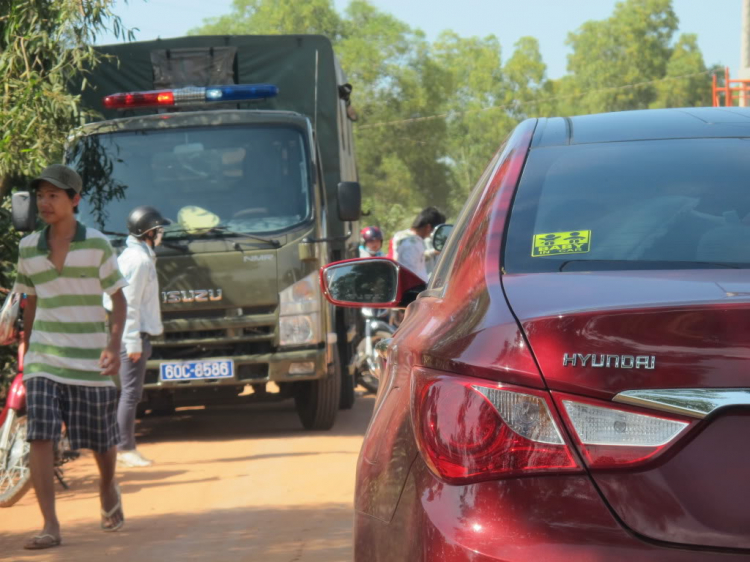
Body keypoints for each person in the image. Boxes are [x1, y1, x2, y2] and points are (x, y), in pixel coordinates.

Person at [14, 164, 128, 550]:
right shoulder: (28, 247)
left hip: (89, 358)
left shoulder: (96, 244)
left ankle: (108, 484)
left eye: (53, 195)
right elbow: (29, 302)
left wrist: (112, 347)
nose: (44, 203)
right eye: (40, 195)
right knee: (40, 434)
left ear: (74, 200)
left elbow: (118, 300)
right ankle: (50, 525)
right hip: (45, 356)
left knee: (101, 441)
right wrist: (27, 348)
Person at [115, 206, 170, 468]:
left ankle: (125, 447)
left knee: (131, 394)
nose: (160, 235)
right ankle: (125, 449)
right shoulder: (139, 261)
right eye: (158, 231)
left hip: (133, 335)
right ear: (148, 233)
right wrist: (133, 341)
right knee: (130, 394)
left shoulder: (137, 256)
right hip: (132, 337)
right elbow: (130, 304)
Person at [387, 206, 446, 280]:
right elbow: (409, 273)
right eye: (433, 230)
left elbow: (417, 258)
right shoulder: (411, 243)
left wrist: (433, 252)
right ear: (428, 227)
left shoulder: (403, 236)